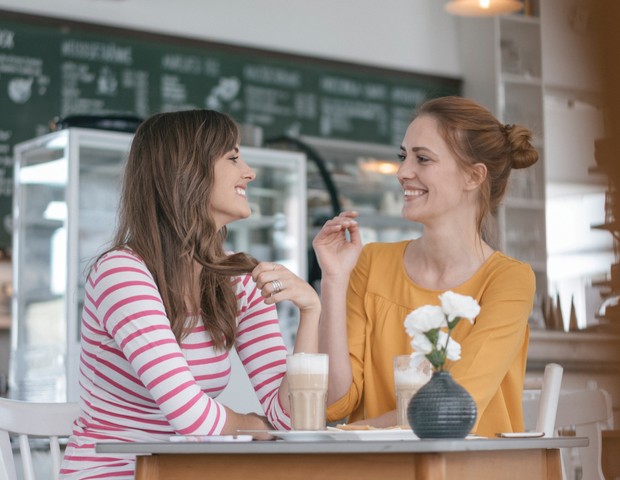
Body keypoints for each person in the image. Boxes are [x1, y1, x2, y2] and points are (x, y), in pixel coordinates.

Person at [59, 110, 320, 479]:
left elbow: (290, 421)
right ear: (187, 172)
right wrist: (251, 425)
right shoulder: (121, 272)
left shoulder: (237, 278)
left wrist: (310, 309)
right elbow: (190, 415)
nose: (250, 172)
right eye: (232, 158)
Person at [313, 95, 538, 437]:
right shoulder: (372, 262)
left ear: (473, 177)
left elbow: (453, 408)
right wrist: (333, 279)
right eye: (403, 156)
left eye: (423, 159)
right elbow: (335, 403)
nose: (403, 172)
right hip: (383, 470)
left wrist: (346, 435)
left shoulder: (509, 280)